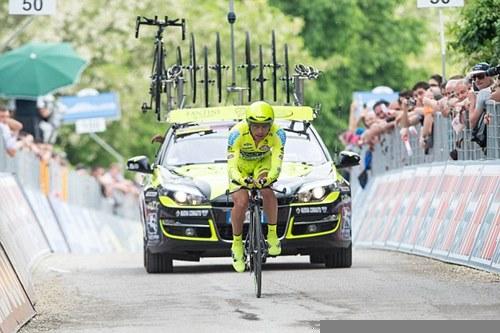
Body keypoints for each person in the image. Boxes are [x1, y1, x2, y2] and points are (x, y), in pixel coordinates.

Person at [227, 101, 286, 272]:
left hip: (262, 163)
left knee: (267, 190)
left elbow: (276, 165)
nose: (260, 131)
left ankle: (272, 234)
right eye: (256, 127)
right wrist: (241, 179)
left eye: (264, 127)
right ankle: (237, 244)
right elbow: (231, 167)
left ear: (271, 125)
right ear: (248, 124)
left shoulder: (279, 134)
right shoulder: (236, 134)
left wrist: (269, 178)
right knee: (241, 201)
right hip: (240, 166)